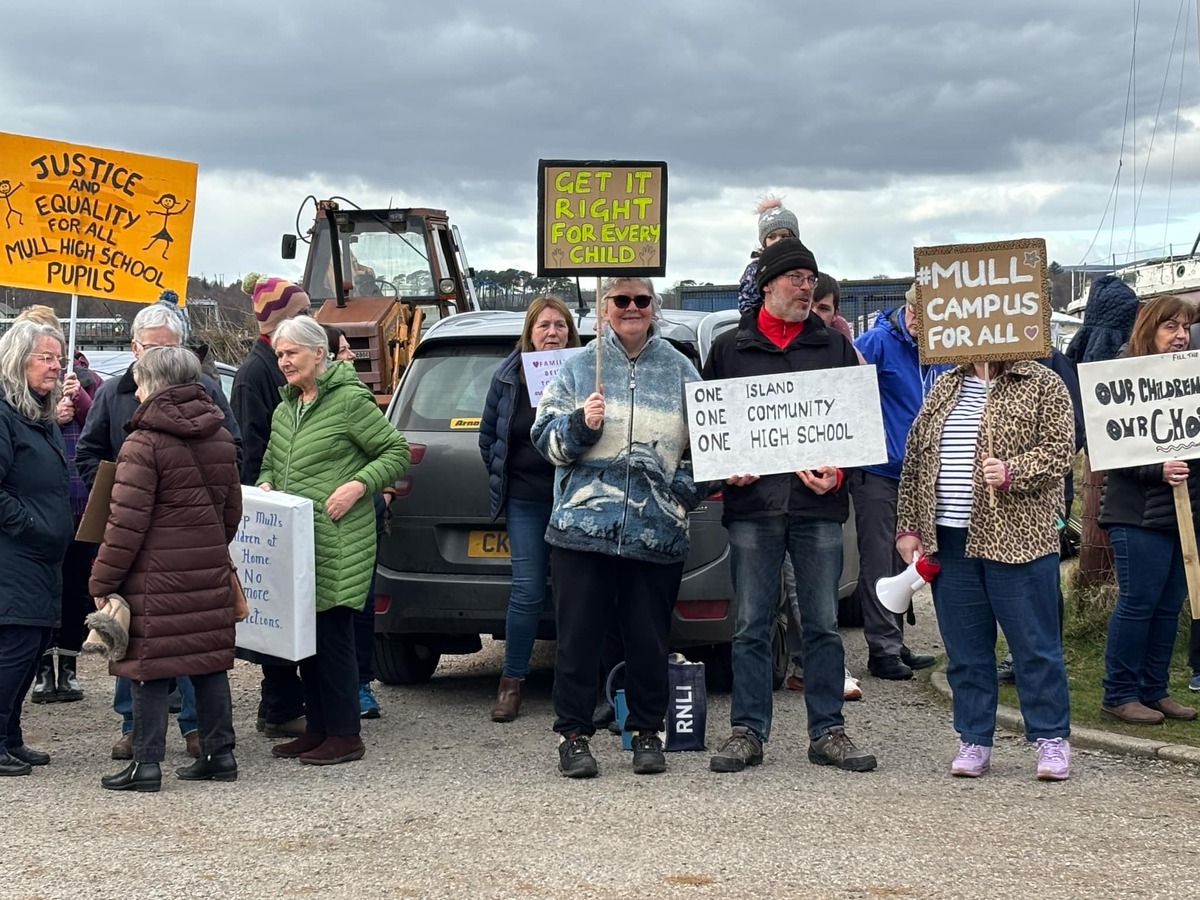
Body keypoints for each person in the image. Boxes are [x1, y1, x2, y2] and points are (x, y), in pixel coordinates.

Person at [703, 237, 876, 774]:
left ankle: (828, 731)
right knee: (751, 622)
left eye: (811, 279)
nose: (808, 288)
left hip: (816, 509)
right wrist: (724, 467)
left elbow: (861, 432)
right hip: (753, 507)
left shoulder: (834, 348)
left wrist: (839, 473)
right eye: (798, 278)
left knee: (822, 622)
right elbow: (706, 432)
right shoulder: (730, 350)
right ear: (769, 285)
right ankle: (747, 732)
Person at [533, 277, 702, 778]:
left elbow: (710, 449)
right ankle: (573, 735)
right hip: (581, 532)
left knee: (648, 638)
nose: (632, 308)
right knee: (578, 639)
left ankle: (647, 730)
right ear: (604, 307)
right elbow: (545, 442)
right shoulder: (577, 366)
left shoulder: (681, 369)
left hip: (658, 533)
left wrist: (681, 490)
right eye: (621, 300)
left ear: (654, 307)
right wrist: (580, 426)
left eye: (642, 300)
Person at [75, 303, 242, 760]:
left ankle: (155, 757)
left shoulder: (151, 435)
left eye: (166, 350)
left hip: (147, 556)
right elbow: (232, 506)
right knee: (201, 652)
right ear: (135, 348)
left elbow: (131, 523)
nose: (156, 358)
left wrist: (103, 582)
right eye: (151, 348)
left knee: (147, 656)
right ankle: (206, 751)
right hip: (193, 555)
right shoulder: (115, 395)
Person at [896, 352, 1075, 780]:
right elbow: (917, 461)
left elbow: (1060, 450)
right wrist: (909, 526)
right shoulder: (945, 385)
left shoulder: (1042, 381)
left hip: (1020, 539)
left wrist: (1014, 471)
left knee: (1035, 645)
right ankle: (974, 737)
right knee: (965, 650)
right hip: (950, 540)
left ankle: (1051, 738)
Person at [258, 316, 409, 766]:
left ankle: (345, 735)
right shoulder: (285, 408)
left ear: (319, 353)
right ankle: (318, 728)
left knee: (334, 636)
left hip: (340, 537)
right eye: (280, 355)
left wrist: (358, 485)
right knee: (308, 638)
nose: (284, 362)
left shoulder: (348, 402)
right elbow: (269, 462)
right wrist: (266, 485)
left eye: (292, 353)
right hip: (299, 540)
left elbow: (396, 451)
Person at [480, 296, 582, 723]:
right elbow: (488, 438)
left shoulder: (585, 372)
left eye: (560, 325)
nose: (552, 333)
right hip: (525, 498)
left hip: (575, 499)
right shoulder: (508, 377)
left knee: (578, 594)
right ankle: (511, 683)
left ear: (570, 333)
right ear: (530, 331)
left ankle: (579, 686)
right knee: (527, 590)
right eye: (544, 326)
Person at [1098, 296, 1199, 725]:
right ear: (1150, 329)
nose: (1180, 336)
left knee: (1168, 603)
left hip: (1185, 512)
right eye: (1170, 327)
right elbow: (1110, 448)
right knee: (1138, 603)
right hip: (1136, 513)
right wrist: (1155, 468)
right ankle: (1119, 694)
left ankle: (1154, 690)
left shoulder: (1192, 376)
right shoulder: (1121, 375)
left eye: (1185, 328)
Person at [230, 274, 312, 739]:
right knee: (276, 606)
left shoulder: (271, 365)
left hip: (280, 501)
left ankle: (281, 703)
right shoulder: (255, 373)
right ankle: (279, 706)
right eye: (301, 314)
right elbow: (250, 445)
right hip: (268, 503)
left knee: (285, 604)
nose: (310, 320)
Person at [851, 284, 943, 681]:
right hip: (881, 469)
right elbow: (845, 387)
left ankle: (895, 639)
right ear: (907, 310)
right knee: (878, 559)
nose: (923, 324)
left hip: (923, 474)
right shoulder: (876, 342)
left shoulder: (941, 350)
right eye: (917, 314)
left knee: (911, 559)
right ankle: (882, 649)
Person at [16, 306, 102, 704]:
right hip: (39, 510)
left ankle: (67, 666)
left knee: (75, 589)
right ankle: (39, 670)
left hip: (80, 504)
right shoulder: (18, 391)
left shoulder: (84, 381)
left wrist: (78, 401)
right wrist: (53, 415)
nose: (51, 363)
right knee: (39, 593)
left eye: (55, 351)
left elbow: (104, 427)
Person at [0, 319, 73, 775]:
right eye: (45, 358)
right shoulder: (4, 416)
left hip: (43, 555)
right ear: (17, 361)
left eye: (58, 358)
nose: (55, 367)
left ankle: (11, 735)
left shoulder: (37, 416)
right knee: (16, 646)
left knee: (34, 644)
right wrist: (29, 524)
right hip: (15, 554)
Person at [323, 323, 392, 721]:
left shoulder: (355, 398)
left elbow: (389, 448)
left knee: (360, 602)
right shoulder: (293, 402)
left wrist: (374, 489)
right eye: (344, 349)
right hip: (322, 516)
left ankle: (360, 684)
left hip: (358, 512)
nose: (351, 355)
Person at [737, 196, 799, 314]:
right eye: (772, 237)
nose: (778, 241)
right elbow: (746, 306)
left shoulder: (802, 267)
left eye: (784, 236)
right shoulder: (756, 270)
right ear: (764, 241)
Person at [811, 273, 854, 341]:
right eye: (808, 306)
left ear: (835, 314)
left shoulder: (841, 340)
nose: (814, 313)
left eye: (823, 308)